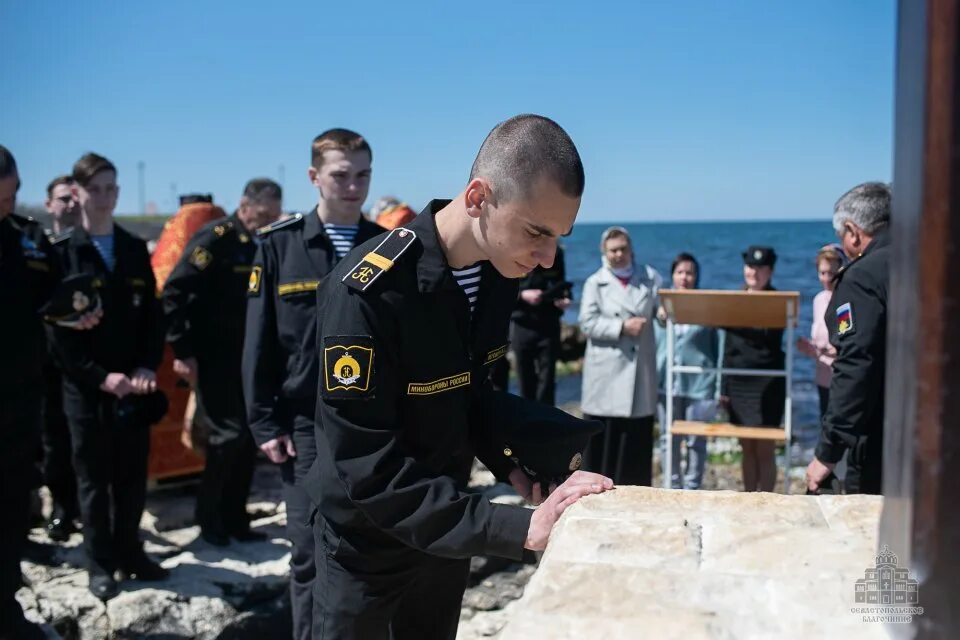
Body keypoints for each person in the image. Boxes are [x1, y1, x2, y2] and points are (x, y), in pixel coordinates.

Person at [304, 114, 613, 640]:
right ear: (478, 198)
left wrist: (516, 464)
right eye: (536, 231)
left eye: (559, 237)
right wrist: (517, 527)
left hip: (446, 535)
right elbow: (366, 464)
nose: (547, 258)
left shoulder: (498, 271)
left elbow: (468, 393)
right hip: (365, 544)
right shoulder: (368, 291)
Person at [242, 129, 383, 640]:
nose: (353, 186)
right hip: (303, 423)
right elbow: (257, 343)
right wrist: (262, 422)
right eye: (341, 175)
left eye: (363, 174)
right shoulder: (280, 246)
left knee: (362, 547)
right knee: (306, 551)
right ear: (314, 177)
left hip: (366, 422)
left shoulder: (385, 245)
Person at [48, 153, 167, 601]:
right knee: (94, 481)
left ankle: (130, 553)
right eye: (94, 189)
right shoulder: (63, 253)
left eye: (110, 189)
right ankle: (99, 563)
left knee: (132, 476)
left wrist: (143, 366)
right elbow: (57, 334)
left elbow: (151, 318)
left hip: (132, 388)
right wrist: (101, 377)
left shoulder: (133, 249)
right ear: (77, 193)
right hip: (87, 389)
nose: (104, 198)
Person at [162, 179, 282, 545]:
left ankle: (235, 518)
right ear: (245, 205)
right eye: (262, 215)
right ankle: (209, 518)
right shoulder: (215, 239)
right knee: (226, 436)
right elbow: (175, 291)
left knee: (246, 438)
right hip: (214, 357)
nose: (266, 223)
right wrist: (182, 350)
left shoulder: (262, 242)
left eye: (272, 217)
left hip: (249, 358)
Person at [806, 182, 891, 495]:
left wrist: (827, 451)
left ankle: (887, 550)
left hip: (880, 437)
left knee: (880, 535)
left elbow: (856, 362)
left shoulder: (862, 278)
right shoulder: (929, 259)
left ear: (853, 232)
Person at [579, 226, 662, 486]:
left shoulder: (650, 278)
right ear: (604, 252)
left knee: (635, 441)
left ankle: (634, 492)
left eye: (623, 249)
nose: (619, 254)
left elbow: (663, 309)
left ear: (631, 249)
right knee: (604, 440)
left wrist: (665, 315)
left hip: (639, 374)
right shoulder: (595, 282)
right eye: (613, 250)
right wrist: (622, 328)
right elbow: (586, 323)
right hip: (606, 374)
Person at [655, 253, 721, 490]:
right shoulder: (661, 306)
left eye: (690, 272)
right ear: (673, 275)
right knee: (668, 437)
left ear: (697, 276)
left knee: (696, 439)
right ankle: (671, 485)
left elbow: (717, 346)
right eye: (680, 272)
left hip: (699, 383)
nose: (685, 277)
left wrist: (718, 386)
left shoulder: (706, 305)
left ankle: (693, 487)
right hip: (667, 383)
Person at [722, 246, 785, 492]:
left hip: (768, 382)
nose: (754, 273)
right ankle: (749, 497)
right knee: (746, 446)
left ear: (770, 271)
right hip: (738, 382)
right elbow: (727, 349)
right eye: (750, 267)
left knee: (765, 448)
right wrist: (724, 386)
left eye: (761, 268)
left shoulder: (779, 301)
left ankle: (767, 499)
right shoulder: (733, 300)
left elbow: (770, 341)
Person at [40, 175, 82, 542]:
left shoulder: (87, 250)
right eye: (62, 199)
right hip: (44, 363)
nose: (70, 205)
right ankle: (61, 508)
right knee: (51, 443)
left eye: (74, 198)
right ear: (49, 204)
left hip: (83, 364)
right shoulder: (38, 250)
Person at [510, 245, 572, 405]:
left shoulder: (556, 251)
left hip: (549, 323)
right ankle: (526, 422)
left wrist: (564, 298)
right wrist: (522, 295)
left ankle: (546, 424)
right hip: (522, 324)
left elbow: (561, 283)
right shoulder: (516, 247)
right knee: (524, 379)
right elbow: (502, 290)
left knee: (547, 381)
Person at [797, 245, 844, 418]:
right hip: (823, 378)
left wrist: (832, 350)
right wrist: (809, 348)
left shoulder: (845, 300)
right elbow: (820, 342)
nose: (826, 279)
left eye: (831, 273)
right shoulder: (819, 300)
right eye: (822, 273)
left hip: (842, 379)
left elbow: (849, 341)